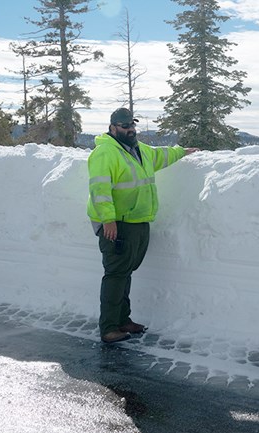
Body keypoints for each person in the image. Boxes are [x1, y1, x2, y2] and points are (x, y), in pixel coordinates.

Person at [87, 108, 200, 344]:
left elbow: (161, 156)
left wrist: (182, 152)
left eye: (132, 125)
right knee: (116, 273)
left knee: (125, 273)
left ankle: (123, 320)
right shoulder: (105, 153)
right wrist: (108, 219)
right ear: (112, 128)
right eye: (124, 125)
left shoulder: (139, 150)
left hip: (137, 221)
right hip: (117, 224)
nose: (130, 129)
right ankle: (108, 327)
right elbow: (100, 189)